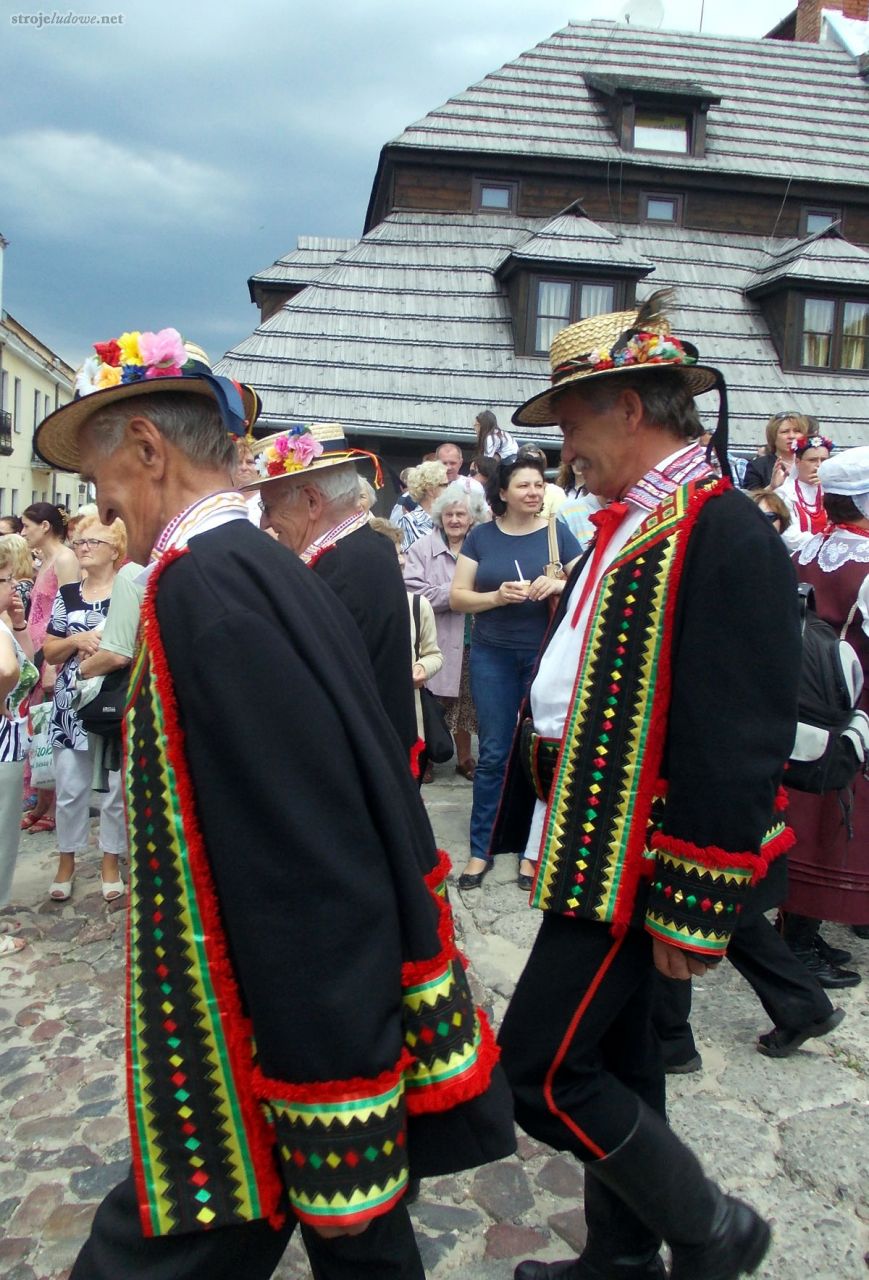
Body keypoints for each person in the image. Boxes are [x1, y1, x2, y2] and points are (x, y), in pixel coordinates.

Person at [33, 325, 515, 1280]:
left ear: (146, 447)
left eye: (101, 483)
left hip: (253, 1043)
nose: (103, 507)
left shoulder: (208, 586)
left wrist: (337, 1099)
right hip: (268, 1027)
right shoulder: (245, 567)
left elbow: (308, 850)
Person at [490, 293, 801, 1280]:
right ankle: (620, 1257)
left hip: (639, 866)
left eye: (572, 421)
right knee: (620, 1064)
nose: (562, 446)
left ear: (628, 406)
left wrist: (697, 908)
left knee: (537, 1072)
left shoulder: (720, 532)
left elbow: (736, 737)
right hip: (591, 849)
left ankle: (712, 1227)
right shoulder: (634, 524)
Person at [248, 424, 419, 766]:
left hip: (359, 767)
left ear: (312, 501)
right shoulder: (369, 546)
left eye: (268, 506)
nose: (266, 522)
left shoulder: (335, 571)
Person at [450, 454, 581, 890]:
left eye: (538, 485)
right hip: (492, 656)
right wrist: (497, 597)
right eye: (523, 486)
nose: (534, 492)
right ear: (502, 493)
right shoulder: (481, 536)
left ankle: (532, 851)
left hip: (545, 658)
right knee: (493, 753)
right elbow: (458, 598)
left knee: (541, 751)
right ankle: (480, 849)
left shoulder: (555, 533)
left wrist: (560, 583)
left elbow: (587, 583)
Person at [781, 446, 869, 982]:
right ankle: (801, 947)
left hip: (807, 698)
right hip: (853, 701)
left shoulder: (807, 549)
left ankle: (801, 935)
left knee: (808, 810)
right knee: (833, 815)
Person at [41, 516, 128, 902]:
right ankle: (66, 861)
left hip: (111, 702)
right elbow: (49, 650)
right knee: (70, 789)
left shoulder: (129, 592)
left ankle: (111, 861)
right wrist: (78, 638)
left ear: (116, 550)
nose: (84, 547)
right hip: (70, 705)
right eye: (80, 542)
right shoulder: (68, 594)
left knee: (113, 790)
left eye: (94, 541)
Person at [402, 481, 488, 781]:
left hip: (472, 637)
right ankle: (425, 759)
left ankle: (465, 758)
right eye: (449, 514)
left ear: (472, 518)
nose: (454, 520)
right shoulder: (422, 547)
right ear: (441, 516)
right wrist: (455, 594)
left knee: (466, 701)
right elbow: (413, 591)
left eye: (461, 515)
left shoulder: (480, 546)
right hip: (435, 639)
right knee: (431, 701)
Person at [19, 502, 80, 835]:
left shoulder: (66, 559)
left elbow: (70, 610)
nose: (23, 531)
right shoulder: (46, 561)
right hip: (38, 652)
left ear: (44, 526)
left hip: (52, 653)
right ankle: (43, 801)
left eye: (27, 526)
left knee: (48, 730)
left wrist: (56, 663)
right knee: (39, 728)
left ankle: (53, 807)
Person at [0, 541, 39, 959]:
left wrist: (19, 620)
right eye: (6, 579)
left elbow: (27, 660)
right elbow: (8, 670)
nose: (13, 587)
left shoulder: (4, 622)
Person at [777, 433, 832, 553]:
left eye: (824, 460)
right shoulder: (784, 493)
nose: (819, 465)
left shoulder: (834, 491)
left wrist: (828, 488)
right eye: (812, 460)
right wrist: (824, 544)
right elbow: (790, 537)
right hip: (798, 559)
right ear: (797, 462)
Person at [741, 411, 815, 491]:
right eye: (785, 432)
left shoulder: (814, 462)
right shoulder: (758, 466)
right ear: (773, 437)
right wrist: (772, 487)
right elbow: (750, 500)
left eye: (797, 431)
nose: (791, 436)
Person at [397, 460, 448, 551]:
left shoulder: (449, 519)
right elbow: (407, 559)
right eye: (445, 485)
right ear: (430, 490)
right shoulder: (409, 522)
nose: (449, 489)